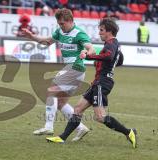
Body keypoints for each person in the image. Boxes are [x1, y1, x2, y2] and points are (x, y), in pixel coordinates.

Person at [46, 18, 137, 149]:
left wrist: (88, 57)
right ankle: (62, 137)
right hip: (98, 82)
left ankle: (129, 132)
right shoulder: (114, 44)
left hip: (102, 83)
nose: (99, 33)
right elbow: (118, 59)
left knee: (100, 117)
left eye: (101, 30)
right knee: (77, 109)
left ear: (109, 31)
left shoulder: (111, 43)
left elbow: (109, 57)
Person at [22, 8, 95, 141]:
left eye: (62, 23)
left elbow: (91, 48)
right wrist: (32, 36)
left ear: (71, 21)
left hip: (75, 67)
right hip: (73, 70)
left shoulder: (79, 33)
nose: (60, 26)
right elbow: (46, 42)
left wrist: (86, 52)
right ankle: (81, 128)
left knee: (51, 91)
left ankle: (48, 126)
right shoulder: (60, 31)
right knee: (61, 103)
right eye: (59, 23)